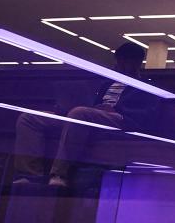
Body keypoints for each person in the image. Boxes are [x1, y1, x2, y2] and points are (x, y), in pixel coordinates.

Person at [12, 42, 160, 187]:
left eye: (123, 61)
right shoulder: (106, 83)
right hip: (87, 117)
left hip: (119, 122)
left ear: (135, 62)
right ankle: (29, 175)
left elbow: (147, 116)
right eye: (118, 61)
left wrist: (116, 111)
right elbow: (88, 105)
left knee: (79, 113)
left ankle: (60, 174)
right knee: (29, 118)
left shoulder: (146, 87)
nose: (118, 65)